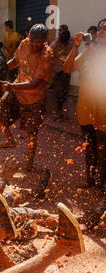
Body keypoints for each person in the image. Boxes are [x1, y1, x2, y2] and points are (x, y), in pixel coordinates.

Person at [0, 24, 54, 171]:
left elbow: (35, 83)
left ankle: (29, 164)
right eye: (32, 42)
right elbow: (15, 61)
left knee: (31, 133)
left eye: (38, 44)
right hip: (16, 91)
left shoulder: (47, 55)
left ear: (45, 40)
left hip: (34, 99)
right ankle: (10, 140)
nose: (34, 46)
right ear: (28, 36)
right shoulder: (24, 44)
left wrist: (11, 86)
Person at [64, 19, 106, 190]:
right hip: (86, 108)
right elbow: (68, 69)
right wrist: (75, 47)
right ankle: (90, 180)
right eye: (100, 29)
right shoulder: (89, 51)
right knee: (89, 147)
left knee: (103, 149)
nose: (102, 31)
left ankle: (101, 184)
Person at [50, 26, 74, 122]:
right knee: (58, 94)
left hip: (67, 71)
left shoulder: (71, 41)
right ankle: (56, 114)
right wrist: (52, 73)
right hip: (57, 72)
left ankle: (64, 113)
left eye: (66, 42)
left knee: (65, 92)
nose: (64, 45)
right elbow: (49, 60)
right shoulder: (54, 45)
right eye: (62, 42)